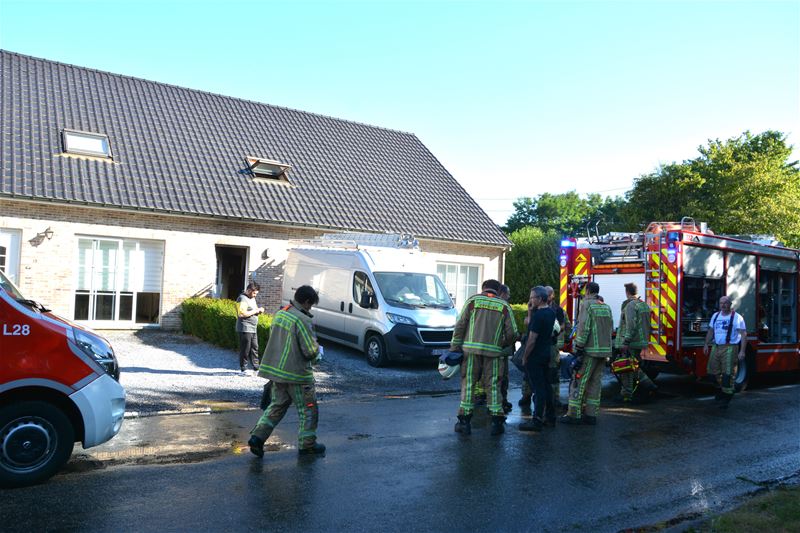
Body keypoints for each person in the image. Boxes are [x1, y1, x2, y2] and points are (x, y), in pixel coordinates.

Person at [248, 285, 326, 457]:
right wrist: (319, 353)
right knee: (308, 410)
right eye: (310, 305)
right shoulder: (302, 320)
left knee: (276, 407)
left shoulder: (281, 314)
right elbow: (310, 351)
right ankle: (307, 445)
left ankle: (257, 437)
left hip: (277, 373)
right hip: (298, 375)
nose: (310, 308)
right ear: (306, 302)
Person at [450, 279, 518, 436]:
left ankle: (464, 423)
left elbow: (459, 325)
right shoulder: (504, 306)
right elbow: (513, 333)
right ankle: (497, 423)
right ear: (498, 290)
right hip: (493, 354)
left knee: (469, 384)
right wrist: (501, 344)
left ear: (483, 288)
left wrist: (454, 348)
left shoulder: (473, 301)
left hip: (470, 352)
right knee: (493, 386)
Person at [561, 281, 613, 426]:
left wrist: (579, 347)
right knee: (595, 383)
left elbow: (584, 327)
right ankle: (591, 414)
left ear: (588, 290)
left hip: (589, 351)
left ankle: (574, 414)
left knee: (579, 381)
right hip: (603, 352)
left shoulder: (587, 305)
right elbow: (609, 328)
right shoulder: (605, 307)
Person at [519, 286, 557, 432]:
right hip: (545, 353)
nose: (530, 300)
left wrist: (525, 356)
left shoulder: (539, 316)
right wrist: (530, 310)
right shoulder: (550, 312)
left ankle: (537, 420)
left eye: (532, 297)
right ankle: (550, 417)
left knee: (538, 388)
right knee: (546, 386)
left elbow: (532, 339)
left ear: (540, 299)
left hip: (535, 356)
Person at [613, 282, 657, 403]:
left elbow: (630, 325)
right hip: (640, 342)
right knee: (634, 366)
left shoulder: (630, 306)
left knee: (626, 369)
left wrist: (625, 341)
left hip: (631, 342)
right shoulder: (644, 305)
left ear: (627, 292)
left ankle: (626, 395)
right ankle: (649, 385)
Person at [703, 295, 746, 409]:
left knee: (728, 374)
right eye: (721, 303)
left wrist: (742, 351)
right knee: (712, 373)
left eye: (725, 303)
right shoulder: (715, 316)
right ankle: (721, 390)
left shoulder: (737, 318)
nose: (723, 305)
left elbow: (743, 335)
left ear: (730, 304)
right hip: (716, 347)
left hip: (730, 347)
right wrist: (706, 344)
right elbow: (711, 331)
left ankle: (727, 397)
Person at [545, 286, 569, 413]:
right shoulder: (538, 306)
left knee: (554, 373)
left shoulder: (558, 310)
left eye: (548, 294)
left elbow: (563, 325)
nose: (547, 297)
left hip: (553, 346)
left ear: (553, 296)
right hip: (542, 345)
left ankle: (555, 398)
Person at [236, 281, 264, 372]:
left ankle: (256, 366)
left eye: (256, 293)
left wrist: (259, 310)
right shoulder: (242, 298)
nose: (255, 295)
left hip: (253, 327)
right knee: (245, 348)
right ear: (248, 290)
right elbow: (241, 314)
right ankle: (243, 368)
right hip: (245, 327)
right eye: (254, 293)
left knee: (255, 347)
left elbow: (252, 310)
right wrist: (256, 311)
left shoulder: (252, 298)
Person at [498, 284, 514, 414]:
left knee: (497, 377)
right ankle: (501, 402)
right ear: (502, 293)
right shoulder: (504, 306)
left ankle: (500, 401)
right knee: (501, 377)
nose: (509, 296)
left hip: (493, 348)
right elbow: (511, 331)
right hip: (501, 349)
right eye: (507, 293)